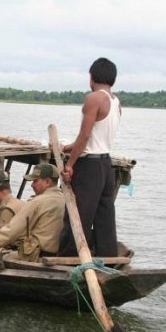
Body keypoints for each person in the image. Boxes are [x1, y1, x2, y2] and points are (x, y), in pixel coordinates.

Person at [58, 58, 121, 257]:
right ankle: (108, 256)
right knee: (105, 215)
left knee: (78, 213)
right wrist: (67, 147)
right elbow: (96, 137)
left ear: (91, 77)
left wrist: (69, 164)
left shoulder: (94, 98)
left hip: (90, 166)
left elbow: (85, 136)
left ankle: (70, 257)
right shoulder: (116, 101)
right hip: (105, 164)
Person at [0, 164, 65, 263]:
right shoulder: (65, 199)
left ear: (48, 182)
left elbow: (12, 230)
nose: (32, 185)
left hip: (37, 256)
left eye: (35, 181)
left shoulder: (37, 202)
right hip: (58, 254)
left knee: (1, 256)